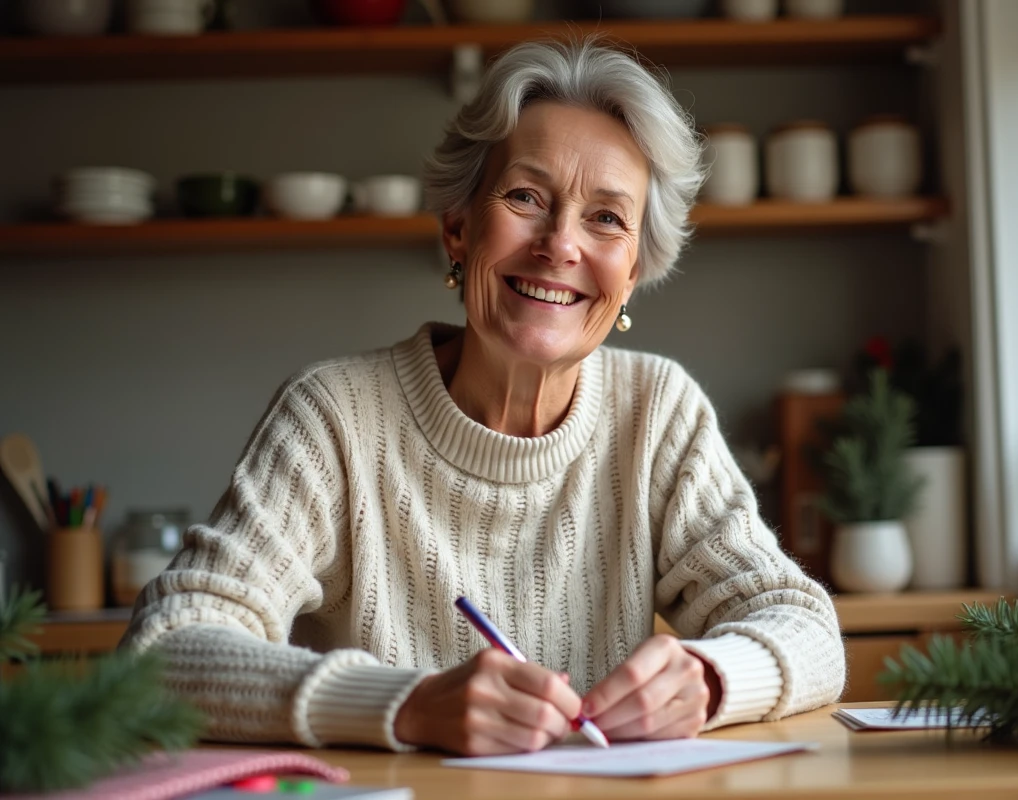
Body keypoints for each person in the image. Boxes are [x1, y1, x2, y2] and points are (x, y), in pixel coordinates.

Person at [122, 38, 845, 756]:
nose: (561, 245)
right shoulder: (334, 416)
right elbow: (163, 652)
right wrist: (406, 705)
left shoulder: (658, 412)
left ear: (632, 274)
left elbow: (806, 629)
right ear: (458, 230)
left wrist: (710, 678)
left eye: (606, 218)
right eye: (526, 197)